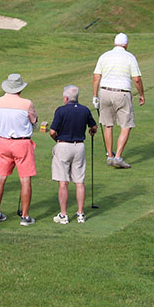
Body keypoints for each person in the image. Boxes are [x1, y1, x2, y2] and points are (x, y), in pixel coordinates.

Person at [91, 33, 145, 169]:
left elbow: (96, 77)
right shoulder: (130, 57)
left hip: (105, 92)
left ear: (114, 43)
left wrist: (95, 96)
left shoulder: (104, 56)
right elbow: (137, 79)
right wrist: (141, 95)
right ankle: (118, 157)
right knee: (126, 125)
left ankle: (110, 156)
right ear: (126, 44)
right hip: (122, 93)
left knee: (107, 124)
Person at [0, 73, 38, 226]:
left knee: (0, 178)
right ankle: (25, 217)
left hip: (3, 142)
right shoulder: (27, 103)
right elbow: (33, 120)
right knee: (25, 179)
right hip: (22, 144)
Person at [49, 85, 97, 224]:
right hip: (79, 147)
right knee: (79, 182)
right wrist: (92, 132)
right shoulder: (85, 110)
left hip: (63, 145)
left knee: (63, 182)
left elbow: (52, 131)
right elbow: (93, 127)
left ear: (65, 98)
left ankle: (64, 215)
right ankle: (80, 214)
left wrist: (57, 140)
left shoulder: (61, 110)